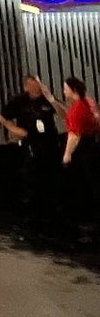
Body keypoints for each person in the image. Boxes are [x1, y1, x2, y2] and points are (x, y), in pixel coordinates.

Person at [0, 74, 61, 235]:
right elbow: (1, 116)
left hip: (49, 142)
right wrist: (14, 129)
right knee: (31, 176)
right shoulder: (19, 101)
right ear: (26, 86)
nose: (36, 88)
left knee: (51, 176)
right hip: (30, 142)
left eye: (38, 85)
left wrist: (51, 97)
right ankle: (32, 216)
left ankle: (52, 212)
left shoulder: (46, 99)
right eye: (33, 85)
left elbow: (64, 113)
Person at [62, 75, 99, 238]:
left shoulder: (78, 108)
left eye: (65, 88)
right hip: (94, 145)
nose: (64, 91)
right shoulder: (87, 102)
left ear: (73, 90)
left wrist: (67, 155)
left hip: (85, 149)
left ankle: (92, 223)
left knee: (89, 185)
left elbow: (74, 136)